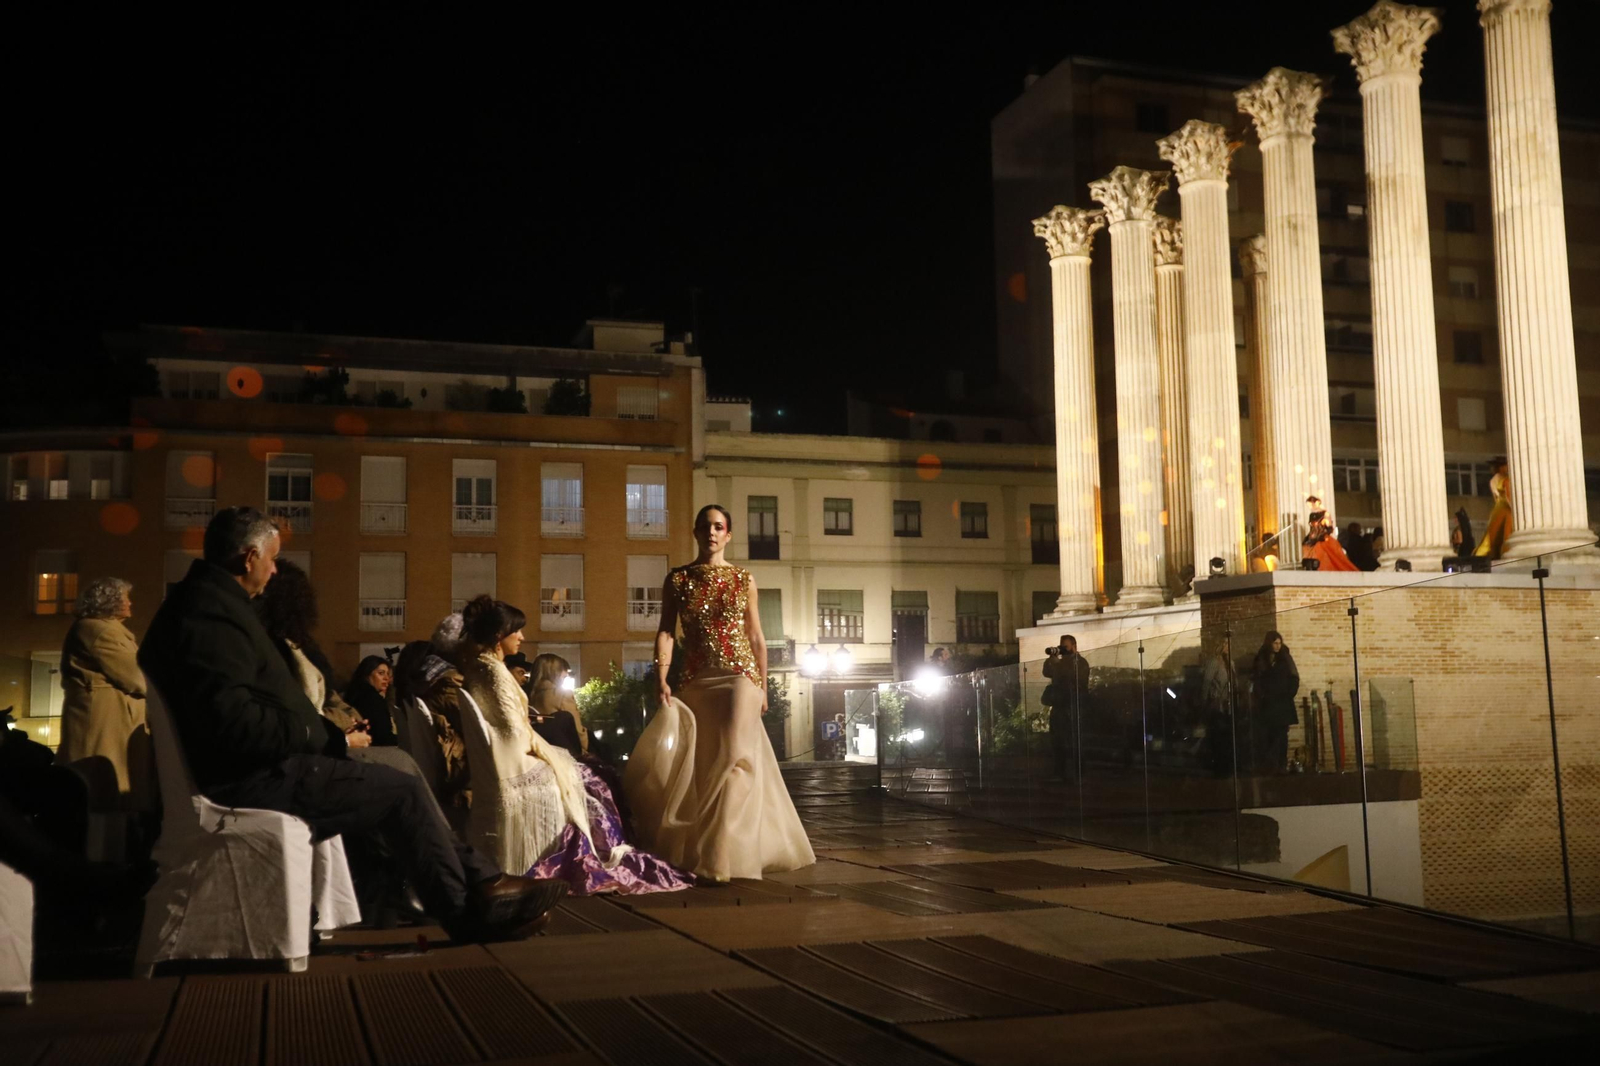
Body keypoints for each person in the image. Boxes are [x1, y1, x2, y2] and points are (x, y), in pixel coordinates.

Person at [137, 506, 565, 941]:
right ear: (248, 557)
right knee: (400, 791)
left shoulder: (208, 607)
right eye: (270, 561)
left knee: (398, 769)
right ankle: (466, 913)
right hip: (254, 776)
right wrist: (319, 736)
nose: (272, 574)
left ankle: (483, 882)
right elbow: (233, 723)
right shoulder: (209, 617)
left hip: (264, 765)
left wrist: (322, 737)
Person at [626, 504, 815, 882]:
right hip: (696, 678)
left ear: (728, 534)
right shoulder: (678, 579)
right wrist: (660, 676)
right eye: (705, 527)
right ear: (695, 533)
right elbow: (666, 630)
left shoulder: (744, 578)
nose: (711, 533)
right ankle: (708, 846)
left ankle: (718, 856)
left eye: (719, 527)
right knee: (705, 763)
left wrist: (762, 685)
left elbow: (756, 636)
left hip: (739, 676)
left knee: (732, 756)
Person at [458, 596, 689, 894]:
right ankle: (596, 852)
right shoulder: (494, 673)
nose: (522, 637)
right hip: (515, 766)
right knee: (596, 782)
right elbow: (514, 734)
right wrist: (546, 749)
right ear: (499, 635)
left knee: (591, 775)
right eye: (517, 631)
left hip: (506, 762)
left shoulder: (482, 668)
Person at [56, 577, 153, 813]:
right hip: (105, 722)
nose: (130, 603)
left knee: (109, 791)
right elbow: (136, 677)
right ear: (110, 603)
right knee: (105, 793)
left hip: (110, 719)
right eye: (125, 598)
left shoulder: (100, 630)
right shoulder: (99, 631)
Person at [392, 637, 470, 820]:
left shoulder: (410, 690)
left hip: (431, 768)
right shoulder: (445, 683)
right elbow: (473, 728)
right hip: (454, 774)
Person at [1041, 635, 1090, 783]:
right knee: (1057, 741)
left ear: (1074, 646)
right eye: (1061, 646)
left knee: (1074, 741)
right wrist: (1051, 659)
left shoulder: (1080, 663)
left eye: (1066, 647)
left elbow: (1074, 678)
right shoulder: (1060, 662)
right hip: (1059, 706)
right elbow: (1046, 672)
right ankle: (1059, 773)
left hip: (1073, 706)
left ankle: (1078, 774)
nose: (1063, 650)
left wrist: (1058, 665)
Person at [1249, 631, 1299, 774]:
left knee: (1281, 736)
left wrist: (1289, 694)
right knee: (1268, 736)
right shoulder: (1261, 659)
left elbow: (1294, 677)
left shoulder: (1285, 658)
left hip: (1282, 703)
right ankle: (1270, 766)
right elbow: (1256, 678)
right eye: (1275, 643)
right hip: (1267, 704)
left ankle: (1280, 765)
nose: (1277, 646)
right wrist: (1261, 696)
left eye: (1279, 643)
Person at [526, 653, 586, 759]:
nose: (566, 675)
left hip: (538, 751)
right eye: (562, 670)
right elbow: (577, 730)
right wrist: (584, 749)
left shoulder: (528, 695)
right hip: (563, 752)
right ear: (554, 672)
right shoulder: (563, 694)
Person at [1199, 634, 1237, 777]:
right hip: (1217, 705)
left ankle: (1228, 767)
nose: (1228, 647)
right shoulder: (1214, 662)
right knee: (1218, 737)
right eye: (1225, 644)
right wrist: (1204, 703)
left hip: (1229, 705)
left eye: (1229, 644)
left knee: (1228, 737)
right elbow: (1206, 683)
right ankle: (1219, 768)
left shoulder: (1230, 663)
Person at [345, 656, 399, 747]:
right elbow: (382, 736)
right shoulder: (372, 698)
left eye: (388, 675)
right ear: (367, 674)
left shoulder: (353, 693)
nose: (386, 678)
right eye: (381, 673)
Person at [1301, 496, 1359, 571]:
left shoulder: (1325, 514)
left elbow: (1329, 527)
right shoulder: (1312, 515)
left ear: (1317, 503)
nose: (1310, 507)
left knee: (1330, 555)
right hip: (1313, 537)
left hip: (1322, 538)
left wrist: (1324, 525)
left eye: (1311, 504)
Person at [1474, 457, 1513, 560]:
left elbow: (1496, 497)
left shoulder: (1493, 480)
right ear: (1502, 467)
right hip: (1505, 508)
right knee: (1506, 532)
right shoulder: (1506, 480)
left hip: (1498, 508)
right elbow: (1508, 497)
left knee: (1492, 534)